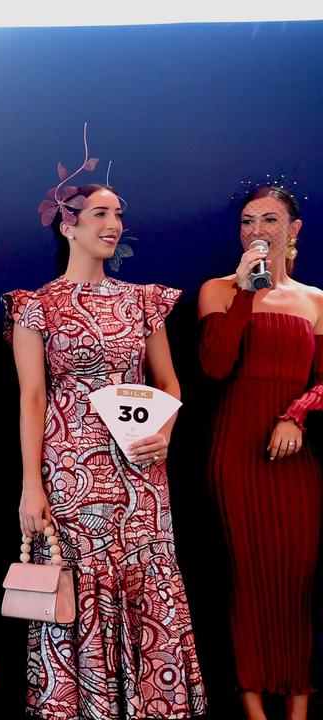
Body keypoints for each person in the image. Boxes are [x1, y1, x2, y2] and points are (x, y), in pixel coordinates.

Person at [1, 136, 206, 719]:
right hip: (69, 472)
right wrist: (31, 486)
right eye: (100, 213)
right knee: (76, 586)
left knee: (148, 579)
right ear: (67, 225)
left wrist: (166, 430)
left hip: (142, 468)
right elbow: (32, 397)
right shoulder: (36, 306)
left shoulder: (144, 301)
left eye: (118, 214)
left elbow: (170, 384)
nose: (114, 223)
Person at [197, 184, 319, 720]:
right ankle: (253, 707)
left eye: (270, 220)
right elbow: (214, 368)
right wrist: (246, 294)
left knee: (297, 578)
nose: (256, 231)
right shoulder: (218, 290)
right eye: (248, 221)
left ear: (294, 231)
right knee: (246, 578)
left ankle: (297, 704)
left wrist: (298, 412)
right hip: (238, 448)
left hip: (295, 456)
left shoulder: (316, 300)